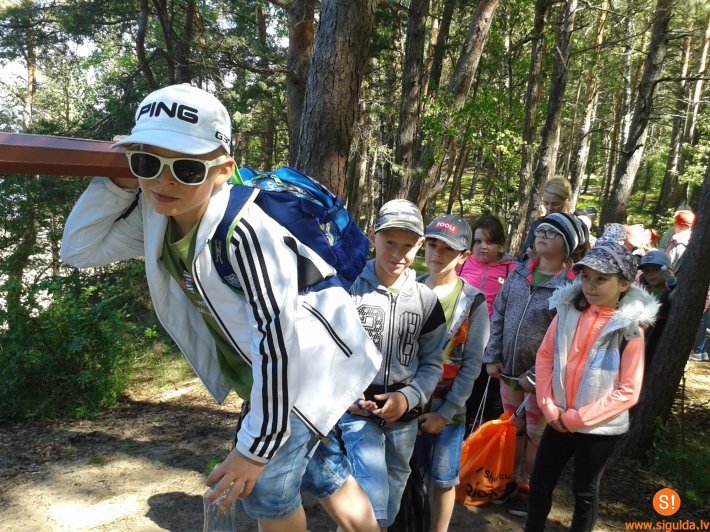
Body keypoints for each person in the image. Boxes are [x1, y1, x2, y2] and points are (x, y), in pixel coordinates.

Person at [60, 84, 382, 532]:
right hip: (272, 376)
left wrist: (255, 449)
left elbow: (277, 338)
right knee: (322, 472)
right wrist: (118, 182)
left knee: (265, 492)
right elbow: (78, 249)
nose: (164, 182)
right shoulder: (158, 217)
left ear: (222, 170)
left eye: (187, 168)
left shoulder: (245, 231)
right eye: (147, 163)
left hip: (307, 373)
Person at [526, 243, 658, 532]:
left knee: (585, 492)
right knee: (540, 483)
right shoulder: (567, 312)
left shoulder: (630, 329)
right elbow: (546, 357)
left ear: (623, 284)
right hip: (557, 417)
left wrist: (576, 418)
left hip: (599, 428)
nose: (590, 285)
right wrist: (549, 406)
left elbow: (628, 390)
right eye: (585, 277)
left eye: (601, 279)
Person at [341, 199, 447, 530]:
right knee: (369, 503)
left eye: (408, 246)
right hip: (358, 413)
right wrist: (346, 396)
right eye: (389, 243)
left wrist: (408, 397)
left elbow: (432, 363)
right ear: (372, 237)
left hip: (404, 421)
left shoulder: (426, 301)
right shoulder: (347, 289)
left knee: (388, 502)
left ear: (419, 245)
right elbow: (326, 353)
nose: (397, 254)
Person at [483, 212, 585, 517]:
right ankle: (508, 479)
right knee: (511, 427)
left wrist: (538, 375)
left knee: (535, 433)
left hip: (542, 381)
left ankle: (529, 487)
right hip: (507, 371)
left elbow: (567, 337)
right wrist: (492, 355)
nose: (541, 235)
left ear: (567, 245)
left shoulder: (571, 286)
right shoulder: (518, 273)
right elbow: (499, 313)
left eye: (552, 233)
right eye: (540, 230)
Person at [414, 214, 490, 532]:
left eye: (447, 248)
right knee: (407, 475)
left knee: (443, 480)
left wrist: (444, 414)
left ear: (463, 256)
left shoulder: (473, 302)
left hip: (449, 411)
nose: (437, 253)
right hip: (407, 407)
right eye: (432, 245)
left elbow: (472, 365)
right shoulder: (410, 288)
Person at [456, 213, 515, 426]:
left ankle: (478, 429)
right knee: (460, 383)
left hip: (491, 340)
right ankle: (459, 424)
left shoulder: (510, 269)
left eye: (490, 242)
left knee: (483, 388)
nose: (483, 247)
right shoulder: (461, 264)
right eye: (478, 241)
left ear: (500, 244)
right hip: (460, 337)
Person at [518, 176, 573, 261]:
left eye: (555, 204)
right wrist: (528, 255)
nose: (549, 208)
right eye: (546, 203)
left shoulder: (576, 227)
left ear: (568, 200)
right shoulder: (538, 224)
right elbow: (523, 256)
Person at [637, 250, 676, 363]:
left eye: (656, 269)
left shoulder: (671, 294)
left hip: (657, 344)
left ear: (667, 270)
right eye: (646, 271)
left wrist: (672, 283)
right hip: (639, 344)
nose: (650, 274)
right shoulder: (640, 293)